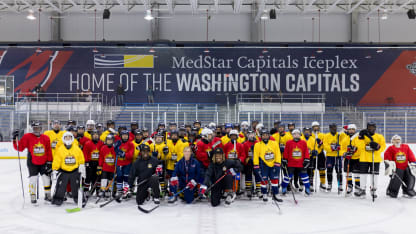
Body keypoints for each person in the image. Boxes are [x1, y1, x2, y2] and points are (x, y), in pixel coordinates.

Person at [13, 121, 53, 203]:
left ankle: (47, 194)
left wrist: (49, 162)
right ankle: (33, 195)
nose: (36, 130)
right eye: (35, 128)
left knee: (46, 178)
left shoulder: (46, 138)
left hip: (44, 162)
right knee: (33, 179)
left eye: (38, 128)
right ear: (32, 128)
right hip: (32, 162)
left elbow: (49, 150)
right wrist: (14, 139)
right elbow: (20, 148)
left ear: (41, 129)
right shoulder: (27, 136)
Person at [51, 132, 86, 206]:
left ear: (72, 138)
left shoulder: (76, 148)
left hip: (74, 171)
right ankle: (58, 199)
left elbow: (81, 158)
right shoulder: (60, 149)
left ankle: (79, 199)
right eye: (66, 137)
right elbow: (57, 160)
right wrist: (55, 169)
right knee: (61, 186)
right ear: (63, 139)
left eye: (69, 137)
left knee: (76, 186)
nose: (68, 139)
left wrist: (82, 166)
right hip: (63, 171)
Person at [355, 122, 386, 199]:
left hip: (374, 159)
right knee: (363, 175)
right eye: (369, 127)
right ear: (367, 128)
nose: (371, 129)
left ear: (375, 128)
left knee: (374, 175)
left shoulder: (379, 136)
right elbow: (359, 146)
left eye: (373, 127)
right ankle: (362, 189)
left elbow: (383, 146)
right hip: (364, 158)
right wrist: (360, 137)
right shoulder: (363, 136)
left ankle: (373, 189)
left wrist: (377, 147)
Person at [253, 128, 282, 202]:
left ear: (269, 136)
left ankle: (275, 194)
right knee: (263, 180)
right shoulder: (257, 145)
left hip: (273, 165)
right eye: (263, 135)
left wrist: (277, 163)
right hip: (263, 165)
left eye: (266, 135)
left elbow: (278, 154)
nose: (265, 137)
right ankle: (264, 194)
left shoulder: (274, 143)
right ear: (261, 136)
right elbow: (255, 156)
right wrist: (256, 166)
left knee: (274, 180)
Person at [281, 129, 311, 196]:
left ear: (300, 135)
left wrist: (306, 159)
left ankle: (307, 188)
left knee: (305, 177)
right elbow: (286, 152)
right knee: (287, 177)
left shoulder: (303, 142)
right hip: (291, 164)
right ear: (292, 135)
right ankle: (284, 187)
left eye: (297, 134)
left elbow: (306, 151)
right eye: (294, 134)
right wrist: (284, 159)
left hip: (300, 163)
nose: (296, 135)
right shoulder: (288, 142)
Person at [340, 124, 363, 196]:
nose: (351, 131)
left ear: (355, 130)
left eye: (353, 129)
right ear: (347, 130)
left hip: (356, 158)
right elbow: (342, 149)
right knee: (348, 173)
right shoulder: (345, 139)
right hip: (348, 158)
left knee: (356, 174)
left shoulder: (358, 138)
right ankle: (349, 187)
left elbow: (361, 147)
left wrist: (354, 150)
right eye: (350, 129)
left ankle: (357, 187)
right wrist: (345, 153)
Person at [323, 123, 345, 193]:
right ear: (329, 128)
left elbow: (344, 142)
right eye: (332, 128)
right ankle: (329, 184)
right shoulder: (326, 136)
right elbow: (325, 146)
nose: (334, 129)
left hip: (338, 156)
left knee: (339, 171)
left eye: (335, 127)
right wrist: (332, 148)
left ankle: (340, 185)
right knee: (329, 171)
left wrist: (339, 147)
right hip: (330, 156)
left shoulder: (339, 135)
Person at [223, 129, 245, 195]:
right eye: (232, 136)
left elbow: (243, 155)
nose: (233, 137)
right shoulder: (226, 145)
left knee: (238, 171)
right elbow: (223, 154)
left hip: (236, 162)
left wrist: (240, 160)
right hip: (228, 162)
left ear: (237, 136)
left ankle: (236, 188)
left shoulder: (240, 145)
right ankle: (227, 189)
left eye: (234, 136)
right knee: (226, 173)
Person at [82, 130, 103, 195]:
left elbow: (102, 153)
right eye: (94, 134)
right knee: (88, 177)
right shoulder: (87, 143)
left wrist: (100, 163)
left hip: (98, 163)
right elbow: (85, 153)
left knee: (98, 177)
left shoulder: (101, 143)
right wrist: (86, 162)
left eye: (97, 134)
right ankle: (86, 190)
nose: (95, 136)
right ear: (91, 136)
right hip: (90, 162)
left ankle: (97, 190)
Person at [114, 130, 135, 198]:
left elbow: (131, 155)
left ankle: (126, 190)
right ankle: (119, 190)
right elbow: (114, 152)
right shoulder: (118, 143)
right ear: (121, 136)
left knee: (126, 177)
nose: (125, 136)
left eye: (126, 135)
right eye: (123, 135)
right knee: (119, 176)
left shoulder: (131, 144)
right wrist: (115, 149)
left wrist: (124, 154)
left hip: (127, 163)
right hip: (119, 163)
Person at [98, 134, 117, 200]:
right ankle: (103, 189)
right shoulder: (103, 148)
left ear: (113, 141)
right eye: (108, 140)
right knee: (104, 178)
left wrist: (116, 167)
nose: (109, 141)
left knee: (110, 180)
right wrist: (100, 166)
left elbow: (116, 158)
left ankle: (109, 190)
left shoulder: (115, 148)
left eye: (111, 140)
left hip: (112, 168)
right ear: (106, 141)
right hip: (105, 168)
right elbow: (101, 157)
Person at [311, 121, 326, 191]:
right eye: (314, 127)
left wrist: (321, 143)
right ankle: (311, 183)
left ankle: (322, 183)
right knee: (312, 169)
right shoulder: (311, 135)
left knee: (322, 169)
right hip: (313, 154)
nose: (316, 128)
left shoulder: (322, 135)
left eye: (317, 126)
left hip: (320, 153)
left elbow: (324, 144)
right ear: (312, 128)